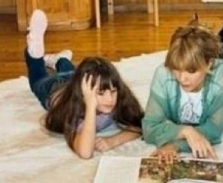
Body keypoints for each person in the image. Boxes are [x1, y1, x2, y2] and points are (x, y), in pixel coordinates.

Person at [24, 9, 144, 159]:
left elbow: (143, 125)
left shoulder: (117, 97)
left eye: (113, 91)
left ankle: (60, 59)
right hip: (56, 88)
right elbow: (85, 152)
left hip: (78, 78)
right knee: (37, 78)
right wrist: (91, 107)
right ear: (85, 94)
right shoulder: (74, 111)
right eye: (101, 93)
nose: (110, 99)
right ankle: (34, 52)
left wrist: (113, 141)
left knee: (71, 70)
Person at [142, 18, 223, 162]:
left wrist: (174, 145)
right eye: (176, 69)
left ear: (209, 63)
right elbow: (149, 127)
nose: (182, 78)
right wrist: (185, 131)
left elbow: (213, 129)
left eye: (191, 71)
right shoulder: (163, 73)